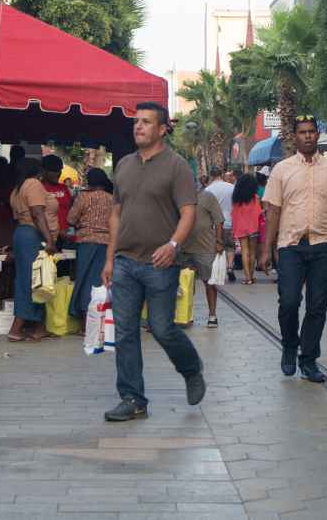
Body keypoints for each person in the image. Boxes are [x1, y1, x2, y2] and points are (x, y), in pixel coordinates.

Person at [101, 102, 205, 421]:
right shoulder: (123, 166)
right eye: (136, 122)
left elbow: (189, 211)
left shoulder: (176, 167)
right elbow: (116, 214)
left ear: (162, 130)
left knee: (161, 328)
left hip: (161, 263)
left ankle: (191, 369)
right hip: (125, 263)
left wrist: (173, 245)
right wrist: (109, 259)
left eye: (146, 122)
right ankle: (133, 399)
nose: (138, 127)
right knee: (125, 331)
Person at [260, 117, 327, 384]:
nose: (308, 136)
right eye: (303, 133)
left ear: (318, 134)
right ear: (295, 136)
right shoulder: (281, 170)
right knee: (288, 302)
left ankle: (309, 360)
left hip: (323, 245)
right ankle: (290, 344)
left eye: (312, 132)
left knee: (317, 306)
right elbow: (273, 210)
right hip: (290, 246)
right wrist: (266, 248)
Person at [7, 157, 59, 342]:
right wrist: (49, 239)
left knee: (37, 279)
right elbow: (37, 213)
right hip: (32, 235)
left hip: (22, 234)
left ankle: (39, 327)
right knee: (34, 281)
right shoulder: (33, 184)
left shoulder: (18, 188)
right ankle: (16, 328)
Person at [67, 168, 114, 322]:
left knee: (84, 279)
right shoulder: (111, 199)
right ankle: (99, 319)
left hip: (86, 243)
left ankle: (85, 321)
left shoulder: (83, 197)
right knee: (100, 281)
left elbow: (71, 219)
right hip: (107, 244)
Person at [180, 187, 225, 327]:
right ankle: (185, 315)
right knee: (185, 284)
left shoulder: (207, 197)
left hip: (205, 248)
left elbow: (219, 220)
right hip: (183, 248)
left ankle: (212, 315)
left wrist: (218, 241)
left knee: (209, 283)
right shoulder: (177, 196)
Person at [205, 167, 236, 283]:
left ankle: (214, 271)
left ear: (211, 176)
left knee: (214, 248)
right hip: (229, 222)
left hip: (213, 224)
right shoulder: (231, 188)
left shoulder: (208, 190)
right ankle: (230, 266)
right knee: (230, 247)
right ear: (222, 175)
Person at [232, 173, 262, 285]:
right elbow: (259, 213)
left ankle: (247, 277)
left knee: (244, 251)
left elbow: (234, 214)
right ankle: (251, 276)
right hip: (253, 227)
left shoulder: (236, 199)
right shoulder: (255, 198)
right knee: (253, 252)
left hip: (241, 228)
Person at [41, 154, 73, 242]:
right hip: (47, 237)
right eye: (54, 170)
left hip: (66, 236)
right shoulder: (38, 188)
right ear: (44, 171)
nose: (58, 173)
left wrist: (70, 231)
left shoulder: (64, 188)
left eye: (59, 170)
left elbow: (71, 211)